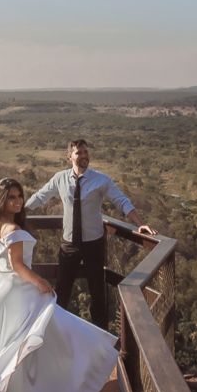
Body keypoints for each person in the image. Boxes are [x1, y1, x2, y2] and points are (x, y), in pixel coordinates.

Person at [0, 178, 118, 392]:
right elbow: (19, 267)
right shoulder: (14, 231)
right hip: (18, 292)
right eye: (11, 197)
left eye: (19, 196)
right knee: (49, 331)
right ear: (0, 200)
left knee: (7, 345)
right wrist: (41, 283)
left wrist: (4, 280)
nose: (18, 201)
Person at [25, 138, 155, 329]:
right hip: (69, 244)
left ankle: (101, 336)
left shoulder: (101, 180)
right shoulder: (60, 179)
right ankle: (54, 333)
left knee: (98, 293)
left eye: (86, 152)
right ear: (69, 156)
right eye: (79, 153)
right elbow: (40, 197)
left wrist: (141, 223)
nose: (84, 156)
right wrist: (16, 214)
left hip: (94, 245)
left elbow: (122, 201)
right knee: (61, 291)